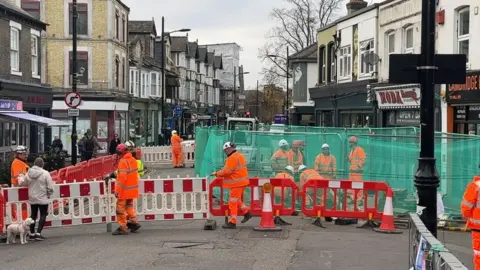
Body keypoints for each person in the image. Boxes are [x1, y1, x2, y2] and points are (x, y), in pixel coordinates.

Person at [211, 142, 252, 229]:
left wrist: (216, 173)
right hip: (241, 182)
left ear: (228, 149)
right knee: (236, 200)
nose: (225, 153)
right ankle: (247, 212)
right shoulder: (239, 155)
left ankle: (232, 222)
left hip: (237, 183)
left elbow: (226, 171)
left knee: (232, 202)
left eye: (225, 151)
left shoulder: (232, 158)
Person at [18, 157, 53, 241]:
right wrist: (48, 194)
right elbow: (50, 187)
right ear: (42, 164)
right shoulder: (45, 173)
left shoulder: (28, 173)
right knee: (43, 214)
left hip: (32, 197)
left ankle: (32, 233)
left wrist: (20, 177)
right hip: (43, 197)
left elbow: (23, 183)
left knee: (33, 215)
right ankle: (38, 233)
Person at [112, 141, 141, 235]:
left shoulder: (123, 161)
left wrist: (117, 191)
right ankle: (134, 222)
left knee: (120, 209)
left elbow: (122, 179)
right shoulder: (133, 160)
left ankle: (123, 227)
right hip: (132, 190)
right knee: (129, 207)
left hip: (124, 191)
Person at [461, 175, 480, 269]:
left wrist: (466, 216)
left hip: (478, 230)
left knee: (479, 256)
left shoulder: (475, 186)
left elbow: (466, 208)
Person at [11, 145, 30, 221]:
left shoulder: (20, 162)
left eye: (26, 154)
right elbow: (18, 177)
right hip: (18, 188)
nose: (26, 156)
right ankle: (21, 222)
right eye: (24, 154)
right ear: (19, 154)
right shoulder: (17, 163)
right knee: (21, 207)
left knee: (23, 207)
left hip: (21, 188)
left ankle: (23, 222)